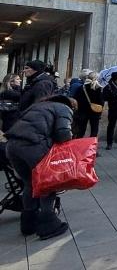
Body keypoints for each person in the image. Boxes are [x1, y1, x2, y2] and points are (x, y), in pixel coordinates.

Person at [5, 94, 74, 239]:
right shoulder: (64, 108)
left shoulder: (37, 106)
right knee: (47, 184)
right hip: (33, 146)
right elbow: (63, 133)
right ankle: (48, 224)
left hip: (12, 146)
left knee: (29, 183)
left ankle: (28, 223)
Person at [73, 69, 104, 139]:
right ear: (97, 79)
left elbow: (76, 99)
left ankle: (79, 146)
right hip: (95, 113)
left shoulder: (81, 88)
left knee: (81, 131)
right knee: (94, 131)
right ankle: (91, 148)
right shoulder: (99, 89)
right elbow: (101, 102)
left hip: (82, 112)